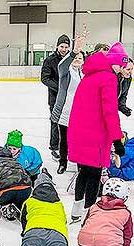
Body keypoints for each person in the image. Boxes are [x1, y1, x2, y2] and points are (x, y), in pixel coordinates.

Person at [67, 42, 128, 223]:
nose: (121, 69)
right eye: (121, 65)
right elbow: (110, 112)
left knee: (83, 172)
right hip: (96, 135)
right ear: (114, 63)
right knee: (94, 174)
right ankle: (89, 213)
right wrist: (117, 140)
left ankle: (76, 210)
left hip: (80, 131)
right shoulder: (108, 78)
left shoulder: (90, 75)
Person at [51, 32, 86, 174]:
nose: (77, 59)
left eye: (80, 57)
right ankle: (63, 163)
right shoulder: (66, 71)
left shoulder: (85, 74)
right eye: (75, 57)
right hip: (65, 112)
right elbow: (62, 64)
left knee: (78, 141)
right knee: (64, 140)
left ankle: (79, 164)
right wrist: (75, 51)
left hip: (80, 114)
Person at [0, 140, 32, 221]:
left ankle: (7, 209)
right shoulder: (13, 161)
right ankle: (23, 211)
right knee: (20, 202)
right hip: (26, 188)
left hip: (9, 189)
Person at [41, 34, 70, 161]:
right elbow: (44, 78)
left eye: (66, 46)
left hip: (70, 97)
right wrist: (61, 87)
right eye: (62, 46)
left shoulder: (71, 58)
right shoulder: (50, 60)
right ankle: (54, 147)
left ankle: (67, 146)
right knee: (55, 121)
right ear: (57, 46)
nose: (64, 49)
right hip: (55, 97)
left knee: (68, 122)